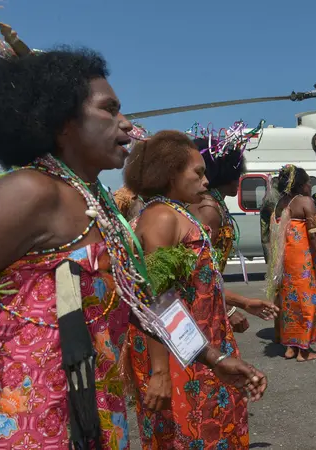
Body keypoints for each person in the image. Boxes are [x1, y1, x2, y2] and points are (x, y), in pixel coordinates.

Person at [0, 46, 264, 449]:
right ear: (63, 120)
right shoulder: (31, 191)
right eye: (109, 110)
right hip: (28, 417)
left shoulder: (99, 203)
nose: (127, 125)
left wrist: (212, 358)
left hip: (96, 406)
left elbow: (148, 298)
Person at [124, 130, 256, 448]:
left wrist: (236, 304)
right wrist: (160, 372)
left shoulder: (176, 213)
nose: (205, 181)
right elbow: (157, 298)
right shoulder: (161, 219)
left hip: (195, 347)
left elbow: (196, 285)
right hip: (176, 355)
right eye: (197, 173)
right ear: (170, 173)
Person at [189, 137, 278, 334]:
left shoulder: (214, 205)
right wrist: (231, 308)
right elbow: (199, 271)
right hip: (203, 305)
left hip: (211, 297)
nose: (238, 180)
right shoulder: (209, 209)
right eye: (236, 175)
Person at [267, 165, 316, 360]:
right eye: (308, 182)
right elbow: (315, 237)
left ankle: (290, 347)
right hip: (303, 261)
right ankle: (304, 351)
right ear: (301, 185)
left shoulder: (279, 204)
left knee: (289, 302)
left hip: (284, 262)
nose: (310, 186)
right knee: (307, 301)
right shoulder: (304, 202)